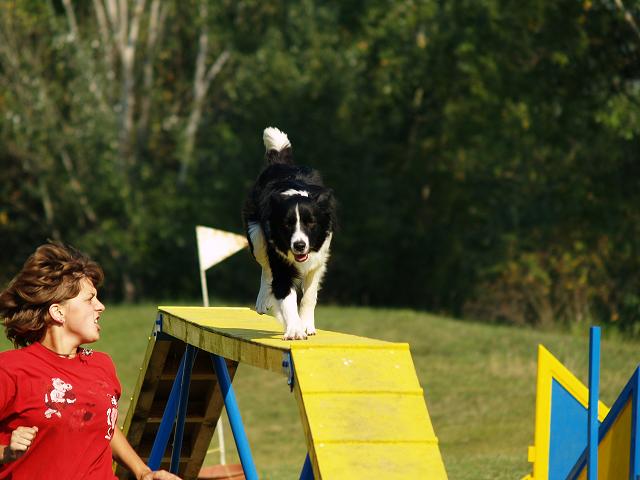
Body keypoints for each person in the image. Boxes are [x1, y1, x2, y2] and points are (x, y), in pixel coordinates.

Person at [0, 243, 182, 480]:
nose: (101, 306)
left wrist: (143, 472)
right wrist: (5, 452)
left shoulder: (102, 365)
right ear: (58, 312)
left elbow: (104, 425)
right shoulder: (11, 369)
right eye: (90, 299)